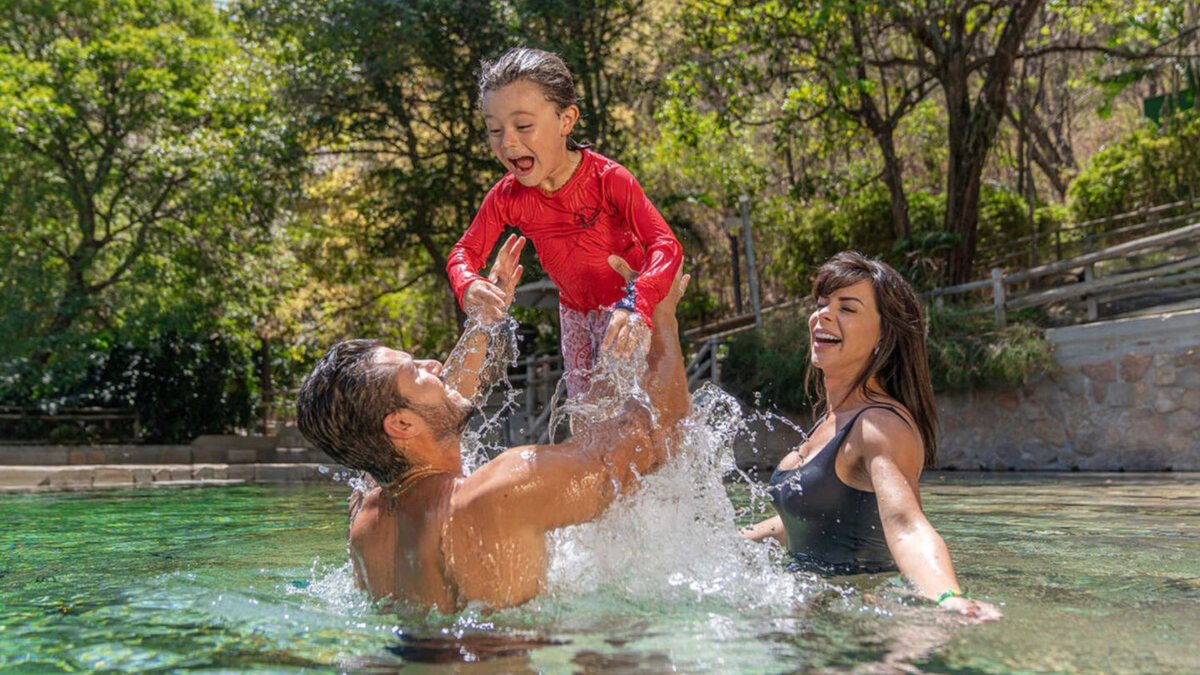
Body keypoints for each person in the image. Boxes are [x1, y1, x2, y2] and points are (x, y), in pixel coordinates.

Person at [297, 237, 692, 611]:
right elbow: (656, 434)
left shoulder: (366, 521)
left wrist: (482, 323)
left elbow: (436, 405)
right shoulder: (501, 492)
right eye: (415, 371)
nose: (433, 365)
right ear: (400, 424)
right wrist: (661, 314)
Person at [740, 252, 1001, 621]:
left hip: (855, 622)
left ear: (884, 336)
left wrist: (948, 597)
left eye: (847, 308)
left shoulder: (879, 425)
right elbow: (808, 517)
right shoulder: (831, 421)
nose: (823, 314)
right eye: (822, 303)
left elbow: (907, 525)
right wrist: (724, 540)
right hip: (811, 615)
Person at [446, 47, 683, 400]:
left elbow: (666, 245)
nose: (507, 141)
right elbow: (463, 252)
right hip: (573, 313)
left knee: (639, 414)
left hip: (629, 305)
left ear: (566, 120)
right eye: (494, 129)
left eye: (523, 126)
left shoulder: (608, 180)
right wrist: (468, 284)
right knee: (584, 414)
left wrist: (638, 301)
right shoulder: (507, 197)